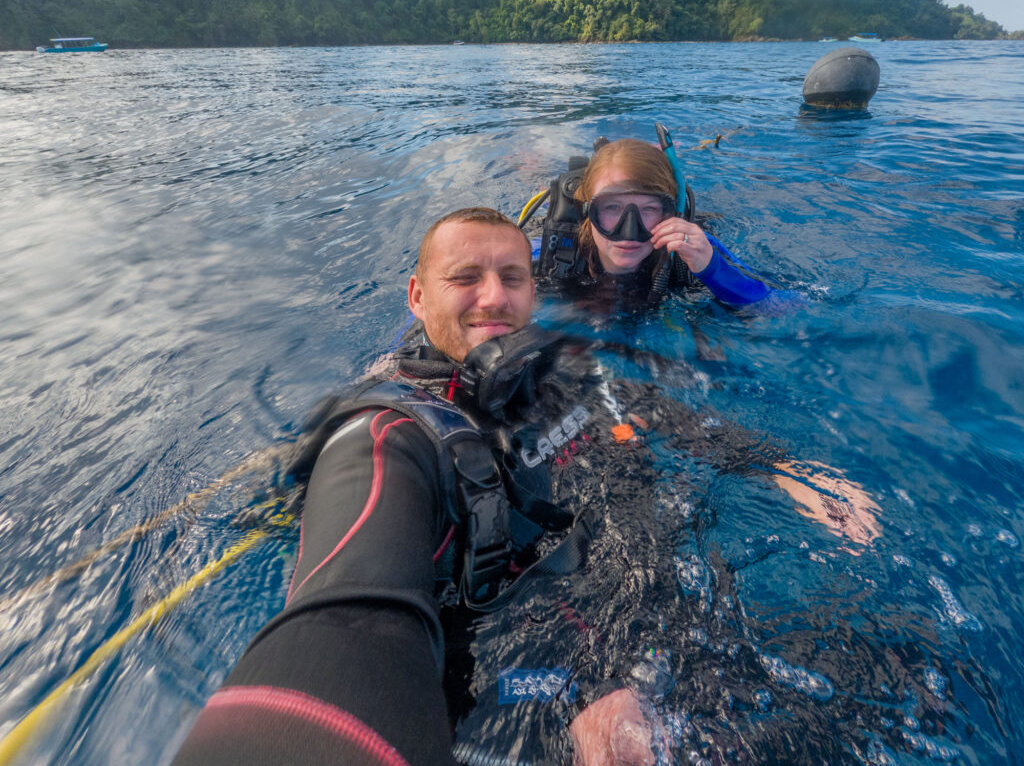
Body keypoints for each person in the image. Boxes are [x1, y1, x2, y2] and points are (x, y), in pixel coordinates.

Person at [171, 208, 879, 766]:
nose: (493, 298)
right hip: (510, 685)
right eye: (465, 278)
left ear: (535, 291)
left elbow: (657, 412)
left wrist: (782, 468)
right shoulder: (388, 437)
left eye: (512, 277)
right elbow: (345, 628)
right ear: (417, 297)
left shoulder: (552, 369)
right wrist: (590, 690)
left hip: (636, 620)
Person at [531, 135, 785, 312]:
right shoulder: (553, 249)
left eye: (650, 209)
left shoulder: (695, 251)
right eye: (611, 207)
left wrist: (712, 269)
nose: (629, 232)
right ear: (587, 209)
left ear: (671, 212)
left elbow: (787, 306)